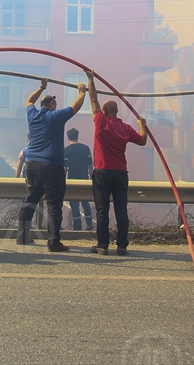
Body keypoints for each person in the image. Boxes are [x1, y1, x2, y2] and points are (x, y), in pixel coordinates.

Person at [18, 78, 86, 251]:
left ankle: (23, 237)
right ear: (52, 104)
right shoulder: (55, 116)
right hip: (51, 166)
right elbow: (75, 107)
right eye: (55, 103)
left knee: (30, 200)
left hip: (31, 164)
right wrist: (82, 91)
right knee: (54, 205)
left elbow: (29, 101)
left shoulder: (32, 115)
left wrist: (41, 87)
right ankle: (53, 242)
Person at [87, 71, 147, 256]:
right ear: (117, 112)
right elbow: (143, 140)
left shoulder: (100, 121)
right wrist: (142, 124)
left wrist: (90, 79)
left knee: (102, 210)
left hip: (103, 172)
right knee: (121, 210)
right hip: (121, 173)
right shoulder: (126, 128)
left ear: (104, 112)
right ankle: (121, 246)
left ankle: (102, 246)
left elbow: (93, 99)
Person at [63, 128, 94, 231]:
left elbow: (65, 168)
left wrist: (62, 181)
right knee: (85, 203)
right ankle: (89, 225)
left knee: (74, 204)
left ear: (68, 137)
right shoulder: (86, 148)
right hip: (84, 179)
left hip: (72, 181)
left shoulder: (66, 150)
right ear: (77, 135)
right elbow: (90, 166)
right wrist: (92, 179)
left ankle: (77, 227)